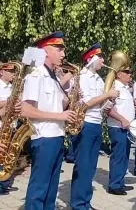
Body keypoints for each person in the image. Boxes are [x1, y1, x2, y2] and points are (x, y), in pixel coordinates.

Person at [20, 32, 77, 209]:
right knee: (39, 189)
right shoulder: (36, 75)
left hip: (57, 136)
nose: (63, 54)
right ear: (46, 50)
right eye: (59, 49)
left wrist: (71, 98)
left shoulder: (53, 78)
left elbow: (57, 105)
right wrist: (60, 116)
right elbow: (26, 109)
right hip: (44, 138)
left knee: (51, 190)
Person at [70, 43, 120, 209]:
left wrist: (109, 101)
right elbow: (86, 103)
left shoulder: (99, 79)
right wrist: (107, 94)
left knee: (91, 168)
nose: (103, 60)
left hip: (96, 124)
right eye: (100, 57)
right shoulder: (82, 77)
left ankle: (85, 202)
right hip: (85, 125)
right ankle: (78, 204)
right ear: (91, 59)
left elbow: (101, 107)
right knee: (83, 166)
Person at [106, 66, 135, 195]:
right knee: (118, 156)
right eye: (127, 72)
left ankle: (120, 182)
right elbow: (108, 109)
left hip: (126, 128)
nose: (130, 74)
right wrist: (122, 119)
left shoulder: (125, 88)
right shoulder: (115, 88)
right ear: (118, 74)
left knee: (124, 156)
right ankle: (114, 185)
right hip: (118, 128)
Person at [0, 63, 20, 195]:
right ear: (2, 72)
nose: (13, 74)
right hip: (1, 125)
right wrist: (9, 101)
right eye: (10, 71)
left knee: (8, 157)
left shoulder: (11, 86)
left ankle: (4, 183)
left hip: (11, 125)